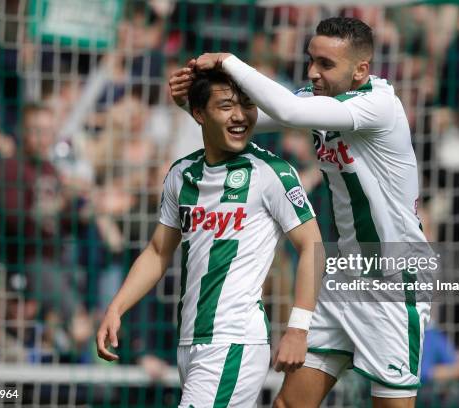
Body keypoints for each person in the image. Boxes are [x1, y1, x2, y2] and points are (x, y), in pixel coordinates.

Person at [170, 16, 431, 408]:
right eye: (311, 60)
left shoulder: (380, 106)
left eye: (326, 64)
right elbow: (251, 118)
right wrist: (198, 103)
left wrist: (227, 60)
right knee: (289, 404)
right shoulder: (317, 100)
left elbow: (288, 111)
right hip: (346, 277)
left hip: (393, 281)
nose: (313, 72)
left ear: (361, 70)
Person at [96, 69, 324, 407]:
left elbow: (313, 247)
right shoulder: (181, 174)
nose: (239, 115)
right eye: (226, 105)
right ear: (198, 113)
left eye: (247, 105)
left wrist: (298, 328)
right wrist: (117, 307)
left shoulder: (271, 173)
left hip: (234, 341)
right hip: (190, 341)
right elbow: (159, 251)